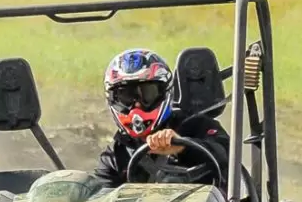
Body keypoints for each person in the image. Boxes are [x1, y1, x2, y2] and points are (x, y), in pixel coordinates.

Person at [92, 48, 231, 189]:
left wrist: (183, 147)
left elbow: (227, 153)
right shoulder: (116, 154)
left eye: (146, 94)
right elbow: (100, 198)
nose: (137, 106)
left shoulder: (196, 125)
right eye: (126, 97)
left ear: (165, 93)